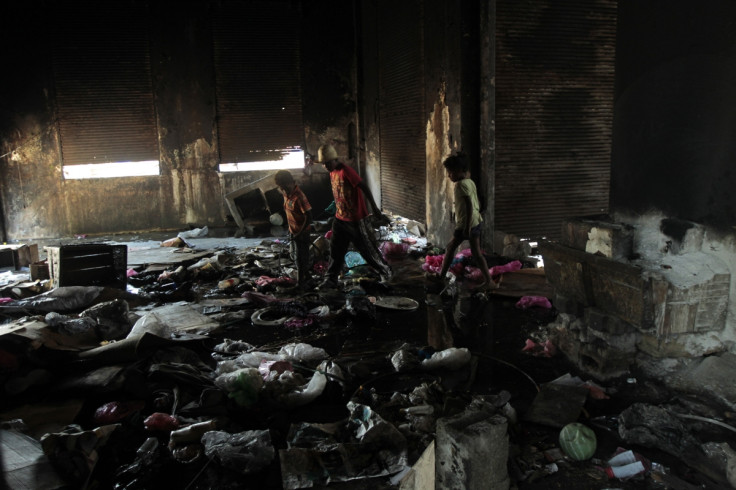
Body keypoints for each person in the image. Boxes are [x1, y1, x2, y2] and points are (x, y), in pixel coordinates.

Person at [315, 144, 392, 289]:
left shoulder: (346, 171)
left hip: (356, 220)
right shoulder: (332, 173)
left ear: (333, 160)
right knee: (335, 250)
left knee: (368, 251)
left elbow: (364, 186)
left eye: (326, 163)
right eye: (323, 164)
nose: (325, 166)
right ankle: (330, 279)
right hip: (340, 218)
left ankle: (386, 272)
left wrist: (374, 208)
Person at [437, 152, 497, 291]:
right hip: (476, 222)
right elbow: (475, 202)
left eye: (450, 173)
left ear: (458, 171)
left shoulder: (460, 185)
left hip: (466, 224)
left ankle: (441, 278)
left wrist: (466, 227)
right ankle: (489, 281)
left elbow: (469, 205)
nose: (449, 176)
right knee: (476, 253)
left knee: (451, 248)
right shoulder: (470, 182)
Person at [274, 170, 314, 289]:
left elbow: (309, 216)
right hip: (293, 231)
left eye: (285, 186)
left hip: (302, 232)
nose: (284, 189)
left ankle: (300, 284)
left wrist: (300, 233)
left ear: (291, 182)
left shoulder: (299, 196)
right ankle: (308, 278)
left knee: (301, 258)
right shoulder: (286, 194)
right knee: (295, 256)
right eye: (281, 187)